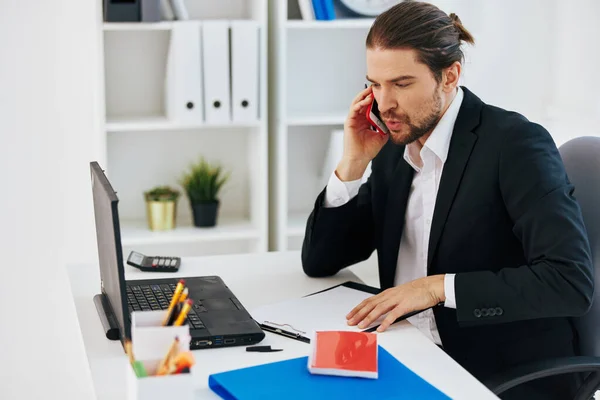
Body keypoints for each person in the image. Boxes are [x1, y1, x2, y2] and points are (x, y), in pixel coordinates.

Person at [300, 2, 594, 399]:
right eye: (374, 84)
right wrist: (352, 162)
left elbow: (569, 282)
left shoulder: (515, 145)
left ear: (449, 75)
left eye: (401, 84)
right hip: (406, 349)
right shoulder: (394, 141)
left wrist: (436, 288)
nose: (384, 103)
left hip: (494, 369)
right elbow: (319, 260)